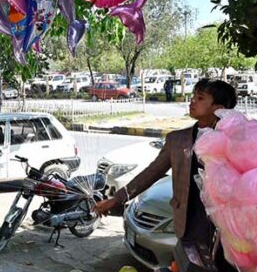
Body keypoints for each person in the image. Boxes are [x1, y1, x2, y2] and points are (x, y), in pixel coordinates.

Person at [95, 79, 237, 248]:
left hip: (228, 227)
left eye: (200, 98)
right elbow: (151, 172)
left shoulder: (236, 139)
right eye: (193, 96)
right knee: (192, 270)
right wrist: (116, 200)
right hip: (189, 222)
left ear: (218, 108)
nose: (192, 101)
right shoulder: (177, 140)